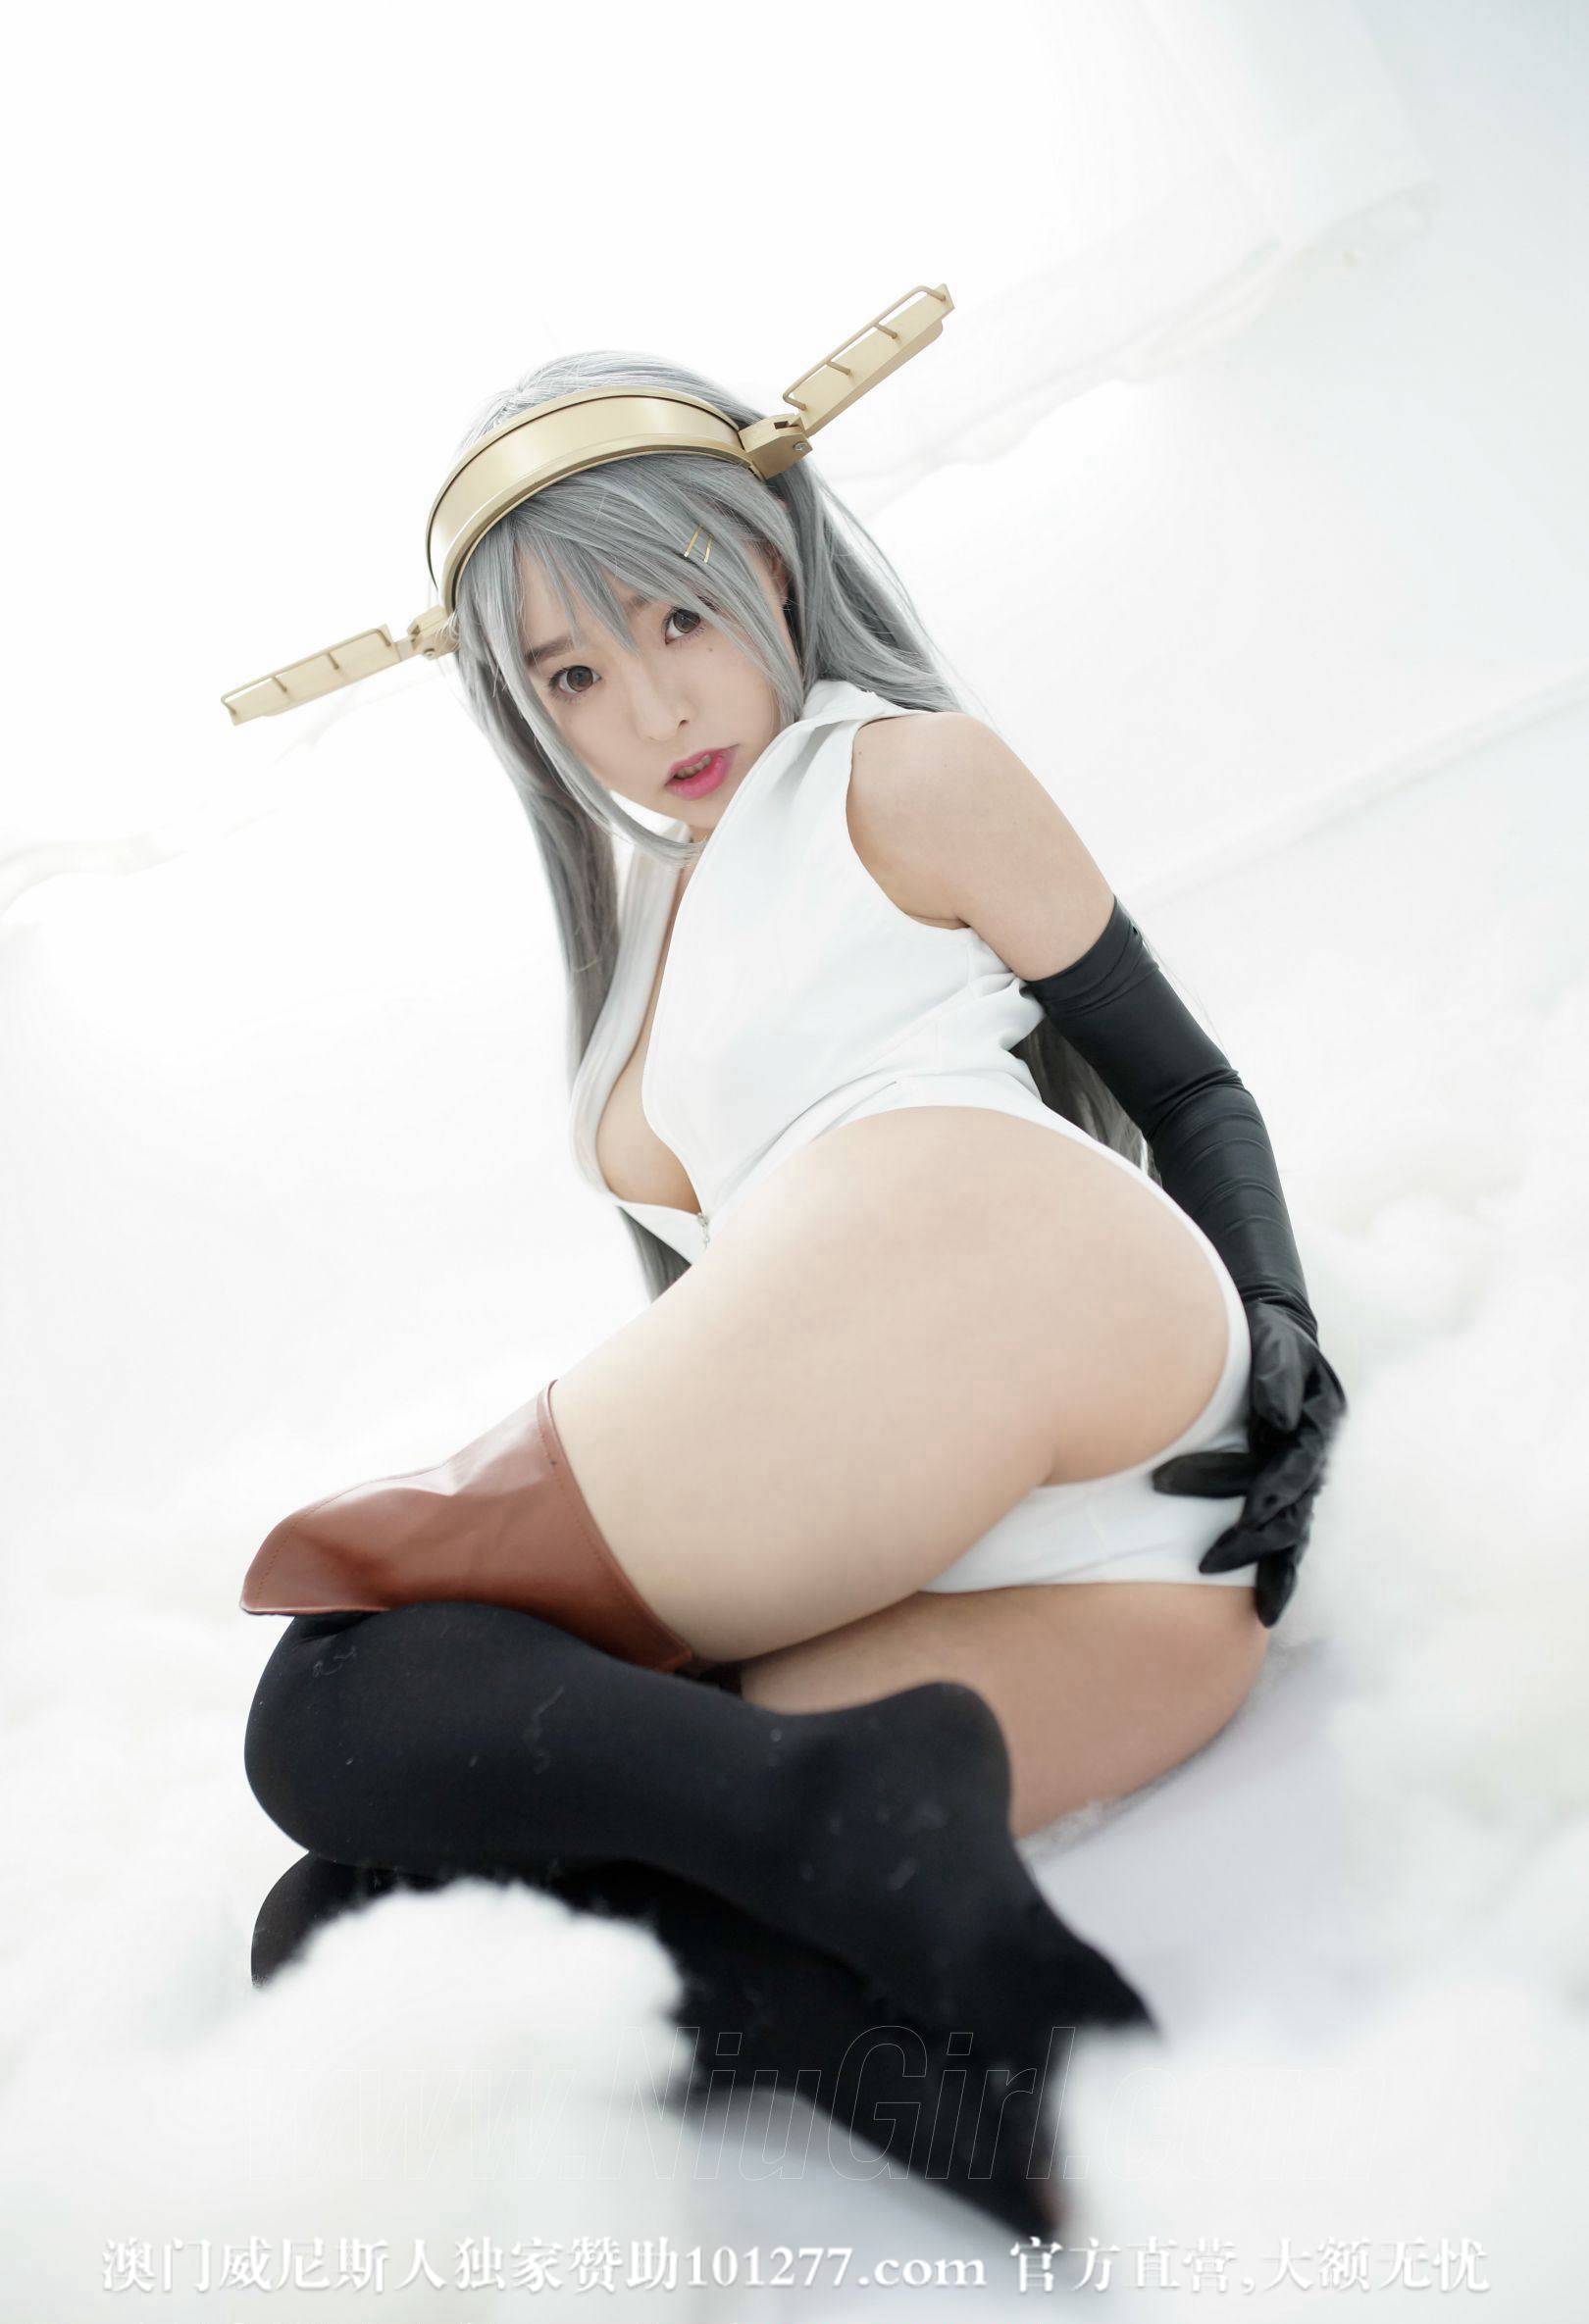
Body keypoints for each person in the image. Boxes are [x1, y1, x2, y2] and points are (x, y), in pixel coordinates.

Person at [238, 318, 1347, 2233]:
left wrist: (1283, 1331)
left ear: (771, 562)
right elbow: (734, 1341)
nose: (649, 704)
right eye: (572, 673)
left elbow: (1185, 1086)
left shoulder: (892, 774)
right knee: (345, 1912)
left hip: (1022, 1298)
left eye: (676, 614)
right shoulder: (645, 929)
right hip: (1084, 1610)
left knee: (328, 1697)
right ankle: (975, 2088)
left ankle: (830, 1813)